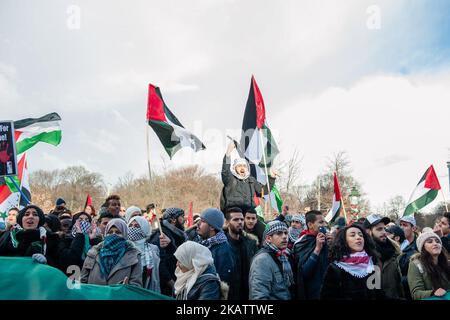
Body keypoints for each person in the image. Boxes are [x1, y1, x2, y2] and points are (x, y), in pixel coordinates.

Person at [320, 224, 384, 300]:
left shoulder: (372, 264)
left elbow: (379, 295)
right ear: (344, 241)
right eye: (352, 235)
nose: (358, 237)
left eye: (361, 235)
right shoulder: (335, 268)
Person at [80, 218, 142, 287]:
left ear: (124, 234)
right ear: (106, 234)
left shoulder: (134, 256)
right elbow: (83, 281)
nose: (113, 235)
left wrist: (127, 289)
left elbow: (136, 285)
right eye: (110, 232)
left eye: (118, 232)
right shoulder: (93, 253)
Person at [220, 141, 276, 212]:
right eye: (239, 166)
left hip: (249, 214)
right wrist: (228, 153)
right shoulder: (230, 179)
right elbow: (225, 171)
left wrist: (271, 178)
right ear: (235, 168)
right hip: (234, 214)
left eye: (244, 166)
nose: (242, 168)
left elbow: (263, 191)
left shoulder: (251, 180)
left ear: (247, 168)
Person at [249, 220, 294, 300]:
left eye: (286, 233)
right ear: (269, 238)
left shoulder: (286, 255)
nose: (284, 236)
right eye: (279, 233)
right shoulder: (262, 260)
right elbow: (259, 295)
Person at [148, 207, 187, 296]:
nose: (184, 219)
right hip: (166, 287)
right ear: (173, 220)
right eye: (182, 216)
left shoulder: (178, 234)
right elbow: (159, 263)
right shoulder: (161, 235)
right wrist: (172, 284)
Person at [364, 214, 404, 299]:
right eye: (379, 229)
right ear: (368, 232)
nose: (384, 232)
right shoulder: (364, 256)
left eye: (384, 228)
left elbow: (399, 285)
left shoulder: (394, 252)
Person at [294, 210, 329, 300]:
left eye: (324, 222)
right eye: (321, 222)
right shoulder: (302, 243)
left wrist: (333, 245)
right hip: (311, 292)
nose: (324, 225)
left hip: (328, 289)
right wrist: (317, 249)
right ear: (310, 225)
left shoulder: (327, 240)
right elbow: (304, 273)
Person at [224, 207, 258, 300]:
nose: (240, 222)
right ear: (227, 222)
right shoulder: (221, 246)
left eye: (242, 219)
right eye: (235, 219)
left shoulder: (250, 244)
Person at [407, 230, 450, 300]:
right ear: (422, 247)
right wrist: (433, 292)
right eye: (430, 242)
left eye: (437, 241)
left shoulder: (447, 263)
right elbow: (416, 294)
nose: (435, 243)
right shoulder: (415, 265)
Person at [197, 208, 235, 285]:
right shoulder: (201, 243)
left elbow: (222, 282)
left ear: (212, 227)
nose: (198, 224)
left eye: (203, 221)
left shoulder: (224, 250)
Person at [57, 211, 101, 276]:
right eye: (80, 220)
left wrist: (93, 239)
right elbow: (71, 259)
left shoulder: (94, 240)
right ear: (74, 223)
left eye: (87, 220)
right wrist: (79, 234)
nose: (84, 222)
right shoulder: (65, 239)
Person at [127, 216, 160, 292]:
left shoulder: (153, 249)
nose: (132, 228)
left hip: (148, 290)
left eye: (137, 226)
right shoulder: (124, 247)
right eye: (130, 226)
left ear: (144, 229)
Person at [398, 215, 418, 299]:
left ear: (413, 228)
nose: (401, 227)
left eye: (405, 225)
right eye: (401, 225)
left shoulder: (419, 246)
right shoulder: (398, 244)